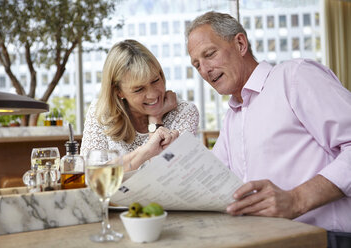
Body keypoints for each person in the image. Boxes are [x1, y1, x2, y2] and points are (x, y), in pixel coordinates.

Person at [186, 11, 351, 247]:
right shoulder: (232, 117)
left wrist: (297, 199)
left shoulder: (294, 76)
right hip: (263, 240)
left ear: (240, 44)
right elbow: (209, 181)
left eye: (209, 54)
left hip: (324, 239)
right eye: (196, 64)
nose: (204, 70)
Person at [81, 39, 199, 171]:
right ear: (118, 91)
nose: (153, 95)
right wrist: (145, 152)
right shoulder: (101, 112)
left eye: (155, 81)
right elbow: (90, 174)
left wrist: (155, 118)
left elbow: (165, 175)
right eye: (139, 89)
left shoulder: (184, 112)